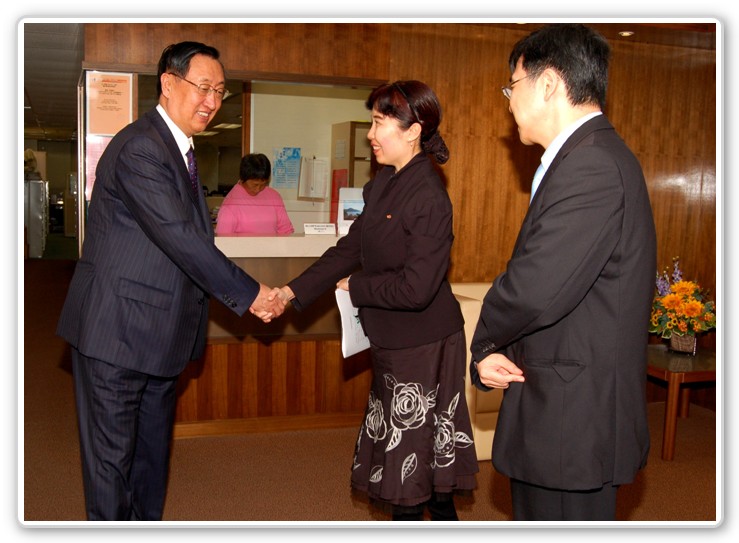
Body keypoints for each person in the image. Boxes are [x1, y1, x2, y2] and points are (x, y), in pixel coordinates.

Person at [56, 41, 285, 521]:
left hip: (161, 340)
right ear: (167, 83)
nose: (212, 101)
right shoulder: (142, 146)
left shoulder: (180, 151)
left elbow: (187, 240)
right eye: (203, 87)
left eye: (220, 92)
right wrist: (252, 295)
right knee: (111, 468)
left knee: (150, 463)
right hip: (115, 336)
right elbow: (181, 238)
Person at [469, 24, 657, 521]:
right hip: (560, 404)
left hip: (575, 419)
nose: (509, 101)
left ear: (548, 83)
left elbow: (536, 287)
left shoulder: (592, 164)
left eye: (514, 85)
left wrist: (483, 341)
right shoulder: (581, 157)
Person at [274, 80, 478, 521]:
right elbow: (350, 249)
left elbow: (417, 288)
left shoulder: (428, 195)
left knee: (416, 471)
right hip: (393, 343)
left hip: (425, 344)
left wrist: (358, 287)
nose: (370, 132)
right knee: (413, 463)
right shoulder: (385, 182)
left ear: (413, 130)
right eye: (372, 120)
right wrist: (291, 292)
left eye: (379, 121)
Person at [215, 153, 294, 235]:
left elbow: (285, 230)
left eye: (263, 184)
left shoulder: (274, 196)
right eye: (255, 185)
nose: (258, 189)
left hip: (273, 247)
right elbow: (223, 241)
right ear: (243, 179)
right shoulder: (230, 205)